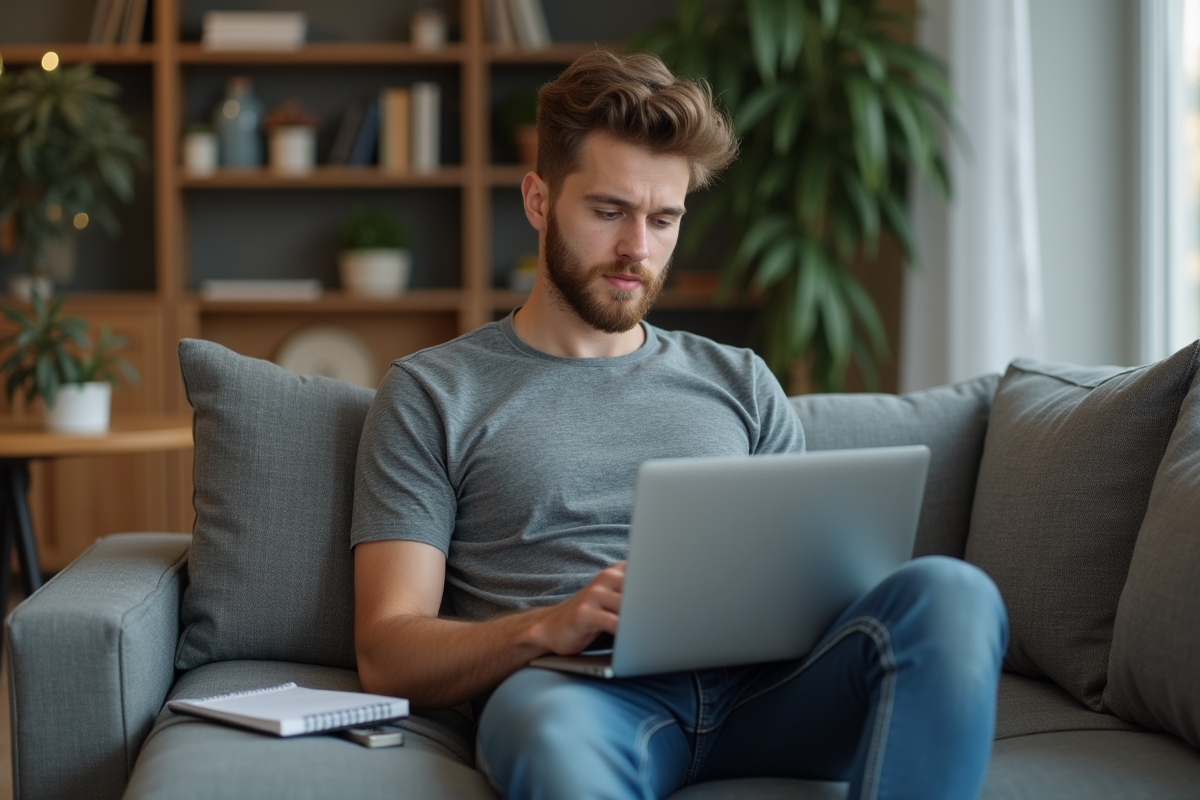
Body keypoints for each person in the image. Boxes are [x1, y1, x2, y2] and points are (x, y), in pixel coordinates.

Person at [351, 49, 1008, 800]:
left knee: (953, 594)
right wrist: (547, 625)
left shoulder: (741, 381)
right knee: (546, 734)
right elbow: (387, 649)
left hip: (768, 695)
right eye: (609, 212)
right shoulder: (433, 392)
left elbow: (809, 585)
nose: (638, 249)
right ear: (538, 201)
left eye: (664, 219)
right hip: (576, 698)